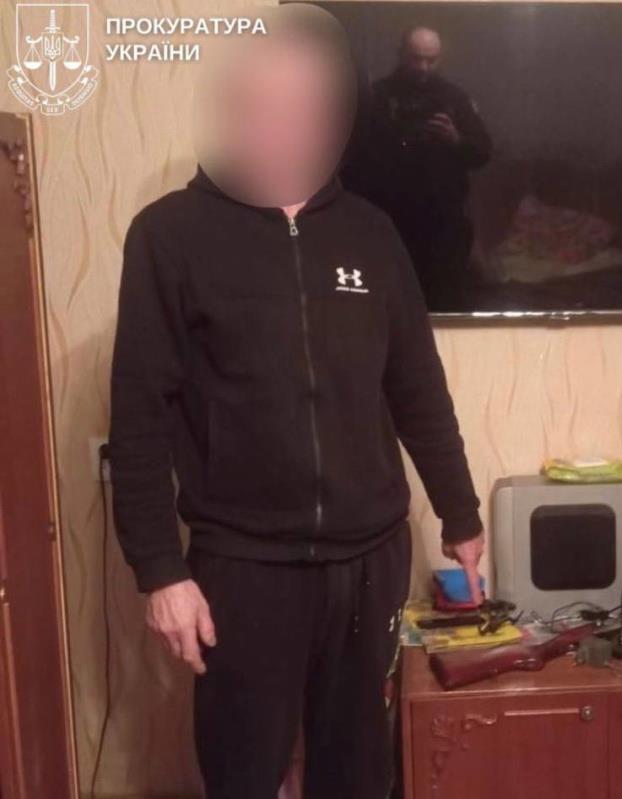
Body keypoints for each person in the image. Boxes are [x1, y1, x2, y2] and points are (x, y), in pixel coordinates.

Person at [108, 7, 484, 798]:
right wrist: (159, 570)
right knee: (243, 775)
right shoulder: (169, 236)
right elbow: (138, 416)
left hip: (369, 562)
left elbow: (417, 385)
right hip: (243, 567)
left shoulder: (371, 233)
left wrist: (460, 513)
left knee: (359, 776)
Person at [343, 26, 492, 302]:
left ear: (440, 58)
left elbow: (483, 153)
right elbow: (352, 160)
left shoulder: (454, 98)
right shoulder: (377, 96)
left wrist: (455, 138)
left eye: (430, 60)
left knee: (444, 299)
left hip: (443, 221)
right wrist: (393, 140)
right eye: (416, 58)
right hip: (391, 219)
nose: (423, 67)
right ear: (401, 54)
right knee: (391, 300)